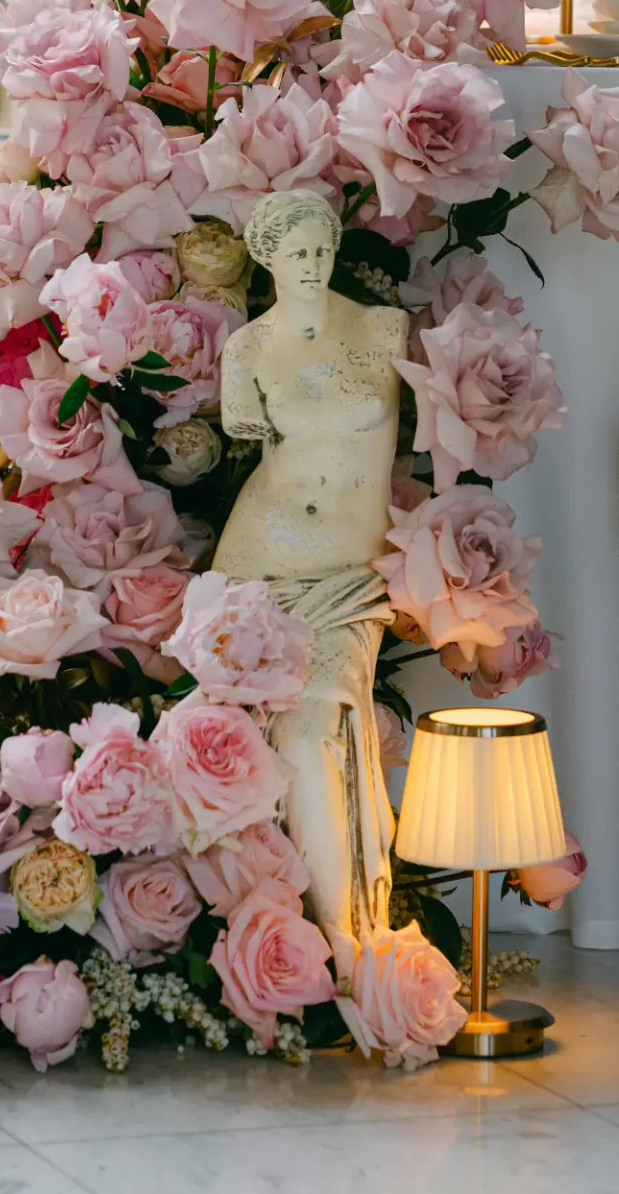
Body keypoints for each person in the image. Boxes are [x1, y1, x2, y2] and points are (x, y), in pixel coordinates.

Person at [213, 190, 408, 947]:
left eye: (322, 250)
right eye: (295, 254)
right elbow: (261, 453)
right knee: (250, 749)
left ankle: (352, 945)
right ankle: (292, 942)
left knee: (309, 737)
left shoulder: (384, 328)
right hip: (259, 564)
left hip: (347, 576)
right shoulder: (248, 351)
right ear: (265, 258)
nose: (312, 265)